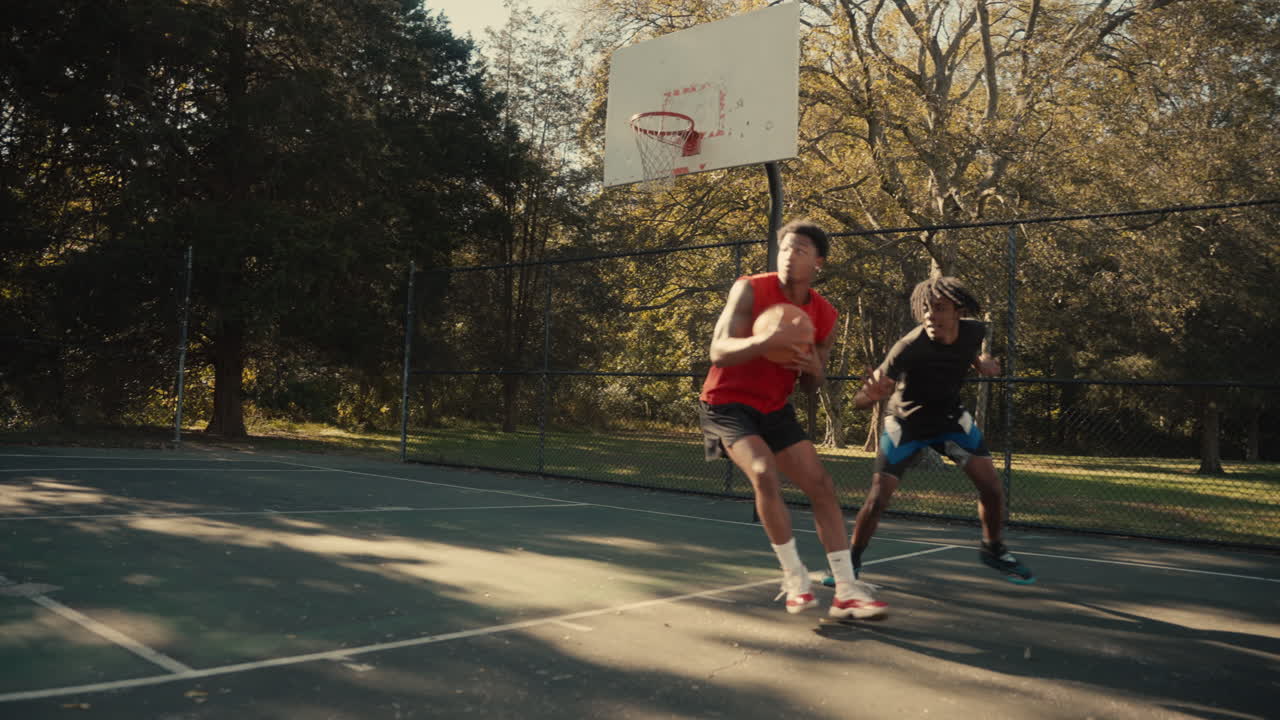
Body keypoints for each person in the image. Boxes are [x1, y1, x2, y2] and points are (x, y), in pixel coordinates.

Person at [698, 219, 886, 619]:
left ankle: (847, 589)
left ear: (818, 262)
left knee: (821, 484)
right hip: (726, 402)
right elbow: (718, 351)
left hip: (773, 406)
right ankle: (794, 577)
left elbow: (811, 386)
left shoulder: (824, 314)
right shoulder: (749, 288)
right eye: (784, 248)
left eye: (800, 250)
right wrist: (765, 342)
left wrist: (812, 367)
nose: (789, 255)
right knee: (764, 471)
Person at [843, 276, 1034, 586]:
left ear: (958, 311)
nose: (930, 315)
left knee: (992, 488)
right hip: (906, 423)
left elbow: (968, 351)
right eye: (926, 309)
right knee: (878, 498)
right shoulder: (908, 346)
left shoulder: (974, 331)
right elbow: (861, 399)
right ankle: (850, 562)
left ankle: (993, 548)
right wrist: (869, 396)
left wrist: (981, 365)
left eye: (939, 308)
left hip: (949, 419)